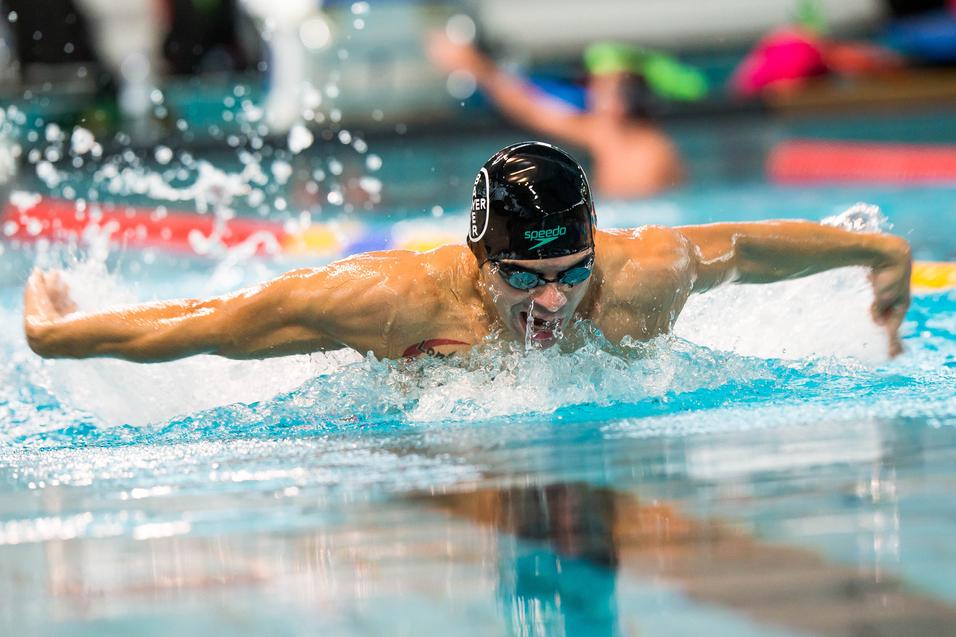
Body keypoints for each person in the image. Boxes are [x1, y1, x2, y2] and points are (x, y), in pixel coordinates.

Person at [23, 141, 912, 363]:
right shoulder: (393, 300)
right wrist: (61, 334)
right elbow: (218, 321)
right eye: (525, 276)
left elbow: (750, 249)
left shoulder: (643, 275)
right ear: (480, 260)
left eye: (572, 275)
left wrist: (877, 251)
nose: (553, 304)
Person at [428, 36, 687, 199]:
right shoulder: (606, 135)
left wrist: (476, 65)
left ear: (625, 98)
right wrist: (477, 66)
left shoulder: (649, 153)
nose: (592, 95)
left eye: (600, 88)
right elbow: (530, 107)